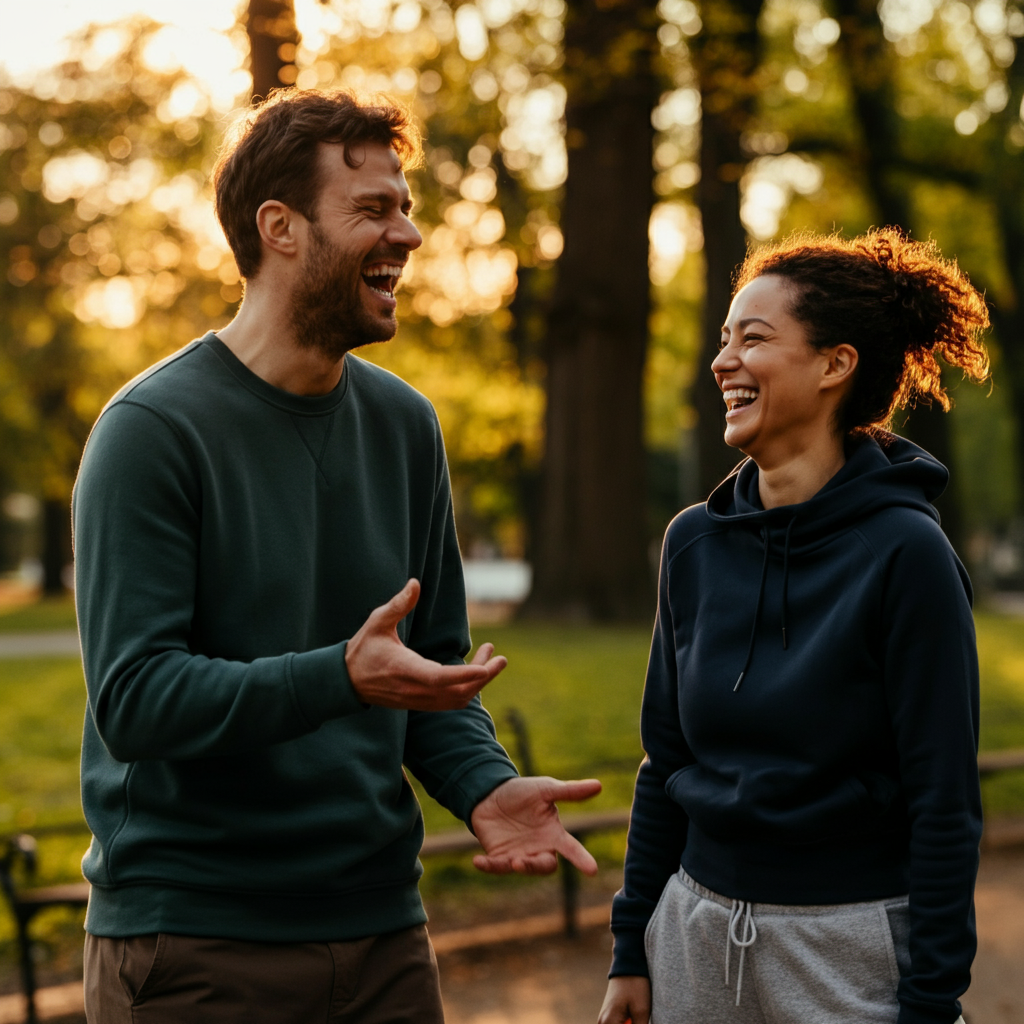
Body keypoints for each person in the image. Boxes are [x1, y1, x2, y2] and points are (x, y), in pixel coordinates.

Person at [73, 88, 600, 1024]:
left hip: (385, 940)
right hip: (197, 945)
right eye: (373, 210)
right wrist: (342, 677)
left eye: (404, 205)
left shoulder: (405, 426)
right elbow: (136, 702)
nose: (409, 234)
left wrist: (485, 785)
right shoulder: (151, 431)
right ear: (280, 227)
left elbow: (427, 677)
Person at [599, 228, 989, 1024]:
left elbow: (943, 801)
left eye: (754, 338)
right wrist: (633, 947)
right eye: (723, 339)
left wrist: (932, 1002)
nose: (723, 361)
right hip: (692, 938)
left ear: (833, 365)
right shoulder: (692, 544)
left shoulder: (905, 552)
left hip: (846, 954)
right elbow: (664, 762)